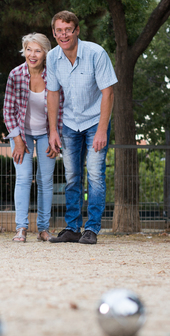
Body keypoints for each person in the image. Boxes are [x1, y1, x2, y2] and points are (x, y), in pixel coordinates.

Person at [46, 11, 117, 244]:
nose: (63, 34)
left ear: (76, 30)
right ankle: (73, 228)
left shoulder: (96, 53)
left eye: (68, 29)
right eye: (59, 30)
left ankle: (92, 228)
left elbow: (108, 93)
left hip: (95, 121)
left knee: (95, 175)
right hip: (69, 123)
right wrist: (54, 130)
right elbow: (53, 93)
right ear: (54, 33)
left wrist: (101, 129)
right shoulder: (53, 57)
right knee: (72, 177)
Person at [3, 33, 64, 243]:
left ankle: (43, 229)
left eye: (37, 50)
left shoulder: (54, 75)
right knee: (23, 178)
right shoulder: (15, 75)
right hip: (22, 133)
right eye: (29, 49)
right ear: (24, 51)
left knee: (45, 181)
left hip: (48, 132)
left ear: (45, 53)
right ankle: (21, 228)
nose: (32, 54)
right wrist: (17, 140)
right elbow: (8, 111)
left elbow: (62, 109)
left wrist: (57, 137)